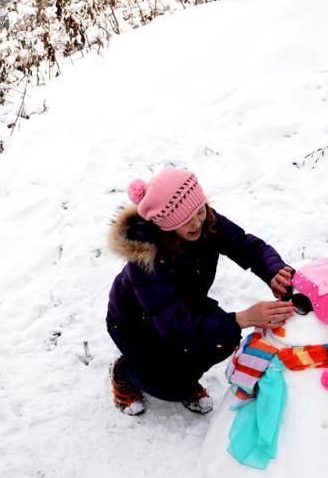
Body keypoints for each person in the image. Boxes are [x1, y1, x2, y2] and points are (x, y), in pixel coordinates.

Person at [106, 168, 296, 416]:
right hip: (134, 327)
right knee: (169, 385)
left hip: (184, 305)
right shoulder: (146, 264)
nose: (197, 222)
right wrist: (244, 317)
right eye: (186, 220)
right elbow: (177, 329)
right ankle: (125, 372)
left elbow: (244, 245)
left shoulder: (208, 223)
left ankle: (183, 381)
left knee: (223, 339)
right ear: (165, 224)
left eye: (200, 210)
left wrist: (273, 271)